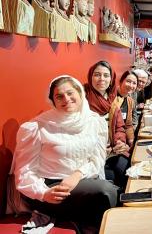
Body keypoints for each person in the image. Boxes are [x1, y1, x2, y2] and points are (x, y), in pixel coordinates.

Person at [11, 76, 118, 230]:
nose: (66, 99)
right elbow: (24, 173)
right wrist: (44, 193)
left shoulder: (95, 122)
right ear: (52, 101)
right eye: (59, 96)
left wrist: (77, 175)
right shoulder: (37, 127)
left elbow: (97, 160)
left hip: (81, 180)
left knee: (113, 186)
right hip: (50, 189)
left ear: (80, 94)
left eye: (70, 93)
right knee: (106, 192)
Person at [85, 61, 130, 189]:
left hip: (112, 150)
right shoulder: (83, 98)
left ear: (111, 79)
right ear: (90, 77)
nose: (102, 79)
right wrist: (100, 149)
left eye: (106, 75)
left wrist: (120, 142)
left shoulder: (112, 97)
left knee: (126, 168)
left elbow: (120, 126)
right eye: (97, 75)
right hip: (91, 154)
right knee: (112, 179)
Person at [114, 70, 139, 146]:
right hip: (112, 140)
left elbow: (128, 125)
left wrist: (131, 142)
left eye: (134, 83)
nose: (131, 86)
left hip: (122, 140)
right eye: (128, 81)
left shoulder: (130, 101)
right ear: (121, 81)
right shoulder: (112, 97)